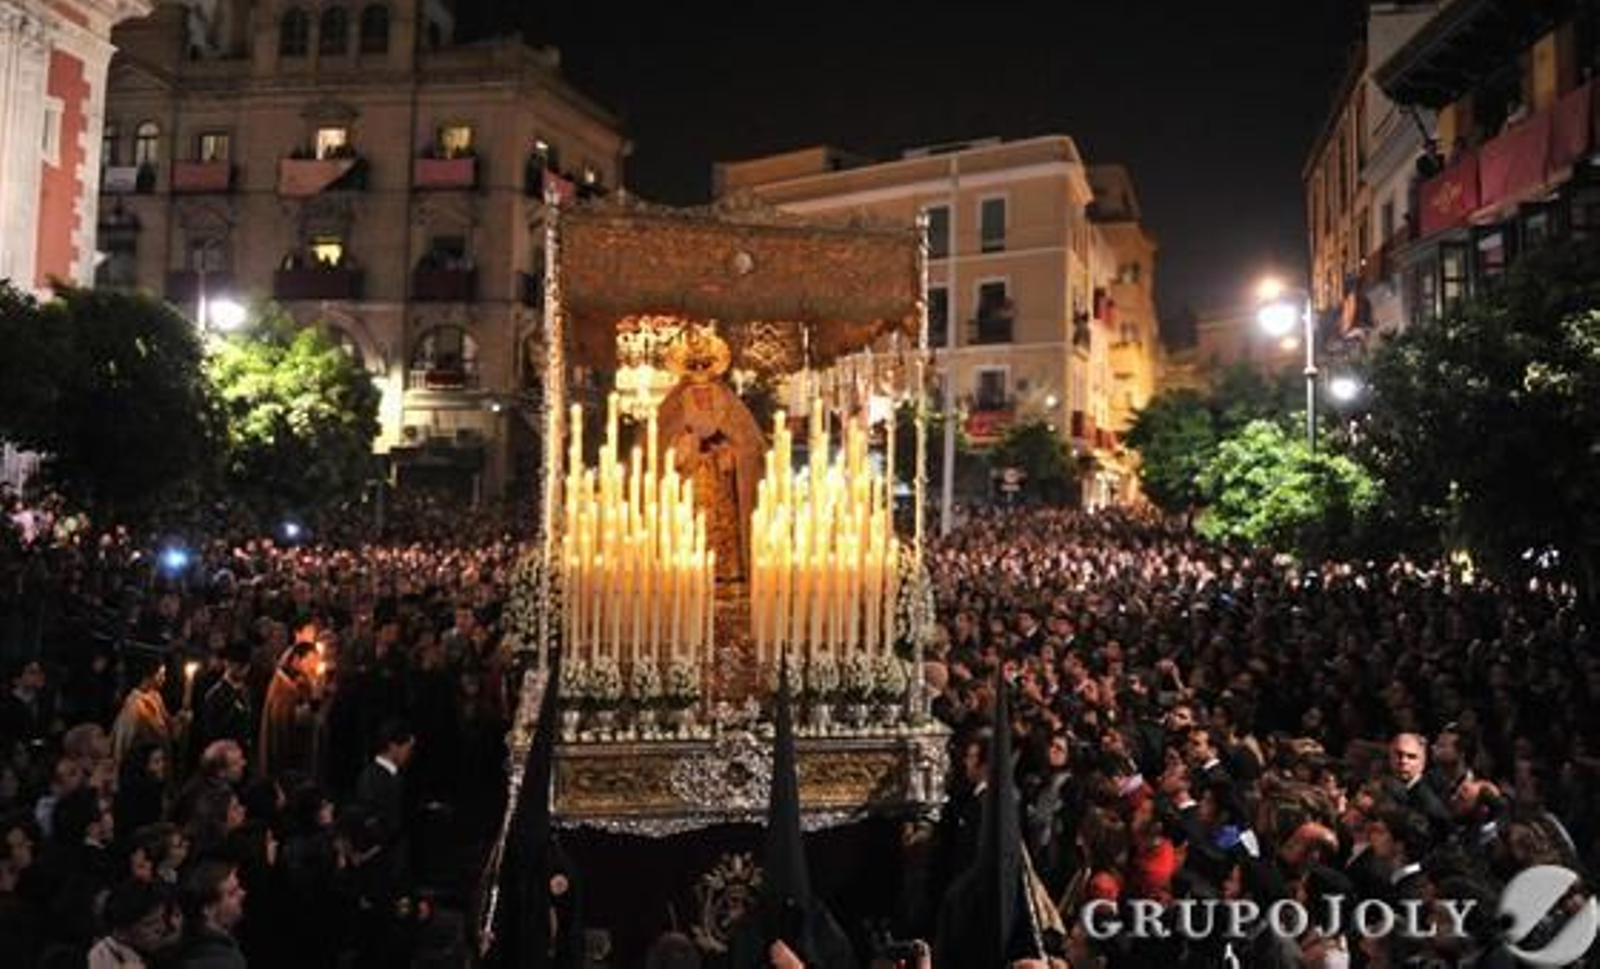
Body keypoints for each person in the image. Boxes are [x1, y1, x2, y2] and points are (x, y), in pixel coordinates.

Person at [89, 879, 179, 969]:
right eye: (149, 924)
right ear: (121, 933)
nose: (162, 928)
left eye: (162, 919)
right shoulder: (104, 957)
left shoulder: (150, 953)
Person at [176, 859, 247, 969]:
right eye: (232, 893)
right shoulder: (215, 961)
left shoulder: (215, 945)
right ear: (208, 910)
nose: (243, 893)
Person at [112, 654, 179, 768]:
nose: (164, 678)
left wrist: (180, 719)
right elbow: (125, 741)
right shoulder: (133, 705)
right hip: (145, 763)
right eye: (160, 674)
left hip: (162, 756)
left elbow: (168, 725)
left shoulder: (156, 696)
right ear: (147, 677)